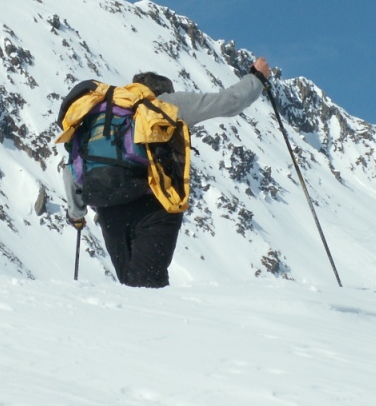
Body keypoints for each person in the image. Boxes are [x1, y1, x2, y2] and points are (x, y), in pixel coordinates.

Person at [63, 58, 272, 288]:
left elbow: (73, 168)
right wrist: (256, 78)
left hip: (109, 210)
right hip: (154, 206)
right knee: (148, 289)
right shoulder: (165, 104)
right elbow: (229, 101)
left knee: (130, 289)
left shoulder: (104, 114)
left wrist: (76, 213)